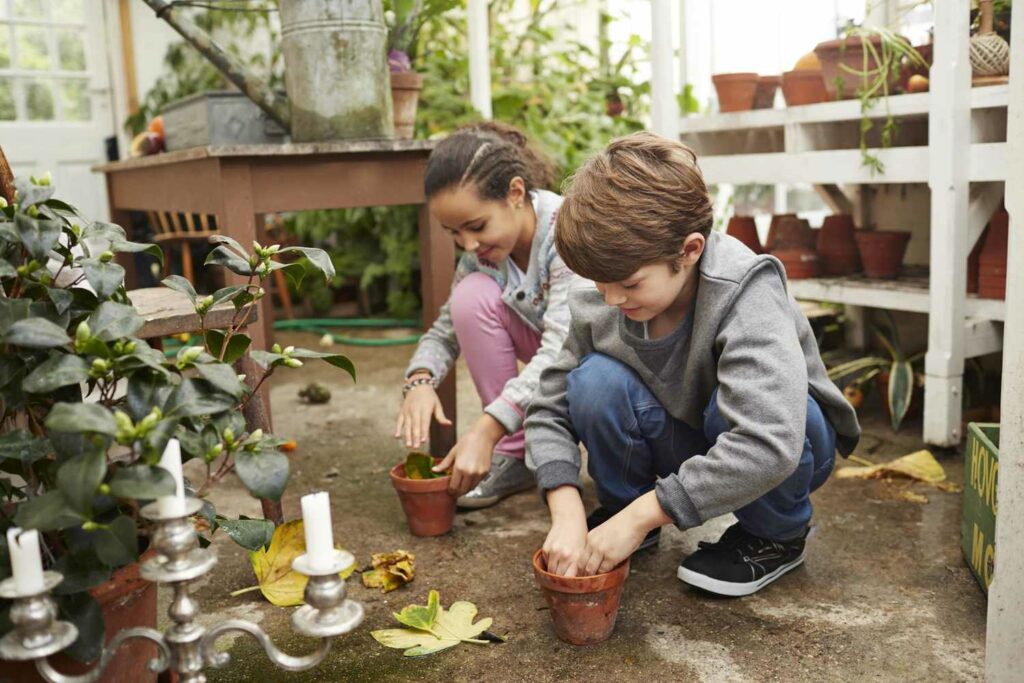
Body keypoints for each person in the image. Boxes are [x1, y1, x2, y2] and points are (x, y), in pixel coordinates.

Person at [525, 132, 861, 596]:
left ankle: (776, 535)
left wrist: (649, 510)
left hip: (788, 445)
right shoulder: (606, 293)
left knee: (731, 408)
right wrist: (567, 513)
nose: (611, 298)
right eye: (599, 282)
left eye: (629, 283)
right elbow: (548, 408)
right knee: (594, 382)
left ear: (689, 250)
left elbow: (770, 441)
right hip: (689, 438)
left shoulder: (744, 288)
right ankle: (624, 515)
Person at [396, 122, 581, 509]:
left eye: (477, 226)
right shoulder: (480, 258)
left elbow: (563, 347)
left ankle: (532, 438)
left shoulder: (567, 232)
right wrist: (419, 381)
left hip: (591, 358)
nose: (469, 244)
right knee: (470, 297)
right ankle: (515, 457)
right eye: (453, 233)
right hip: (551, 356)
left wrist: (487, 427)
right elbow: (444, 331)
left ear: (515, 193)